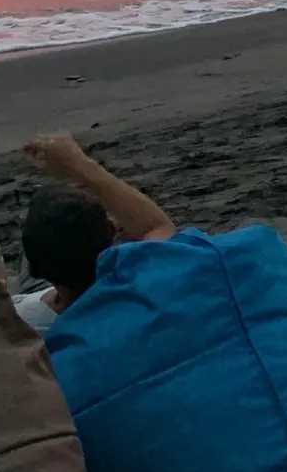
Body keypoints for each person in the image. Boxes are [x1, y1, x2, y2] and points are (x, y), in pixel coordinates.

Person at [17, 133, 176, 327]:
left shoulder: (18, 322)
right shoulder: (139, 284)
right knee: (57, 222)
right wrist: (79, 162)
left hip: (44, 290)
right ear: (112, 230)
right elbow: (157, 226)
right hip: (64, 281)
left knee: (47, 226)